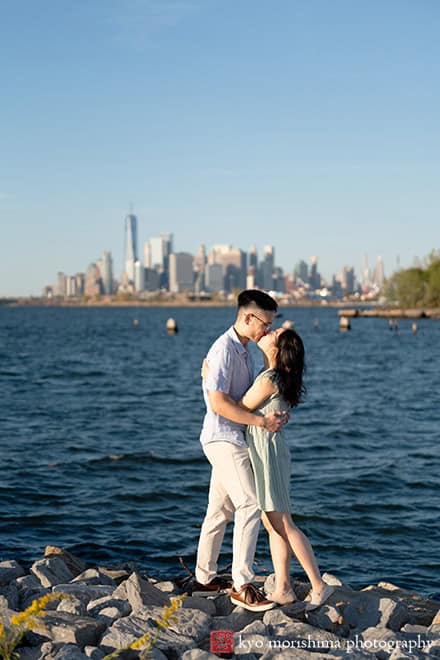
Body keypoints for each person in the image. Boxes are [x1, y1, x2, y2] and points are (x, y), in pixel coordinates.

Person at [193, 290, 289, 612]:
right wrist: (261, 422)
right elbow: (219, 403)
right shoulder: (223, 349)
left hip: (234, 437)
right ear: (248, 317)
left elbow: (245, 394)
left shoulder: (244, 350)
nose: (266, 329)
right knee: (249, 502)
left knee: (220, 510)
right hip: (223, 438)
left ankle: (204, 577)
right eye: (265, 323)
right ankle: (242, 584)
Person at [240, 327, 335, 610]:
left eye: (274, 334)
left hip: (268, 453)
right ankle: (283, 587)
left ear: (279, 350)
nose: (268, 332)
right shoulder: (275, 376)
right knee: (272, 523)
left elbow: (238, 406)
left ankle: (319, 585)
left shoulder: (270, 379)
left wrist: (209, 381)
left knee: (283, 523)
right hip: (268, 450)